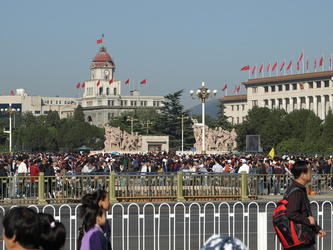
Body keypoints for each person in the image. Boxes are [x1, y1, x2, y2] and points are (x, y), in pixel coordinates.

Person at [285, 160, 326, 250]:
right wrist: (308, 221)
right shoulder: (296, 192)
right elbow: (291, 213)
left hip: (301, 238)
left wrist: (317, 228)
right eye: (309, 171)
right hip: (300, 240)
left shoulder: (298, 189)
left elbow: (305, 212)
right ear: (303, 175)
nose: (311, 174)